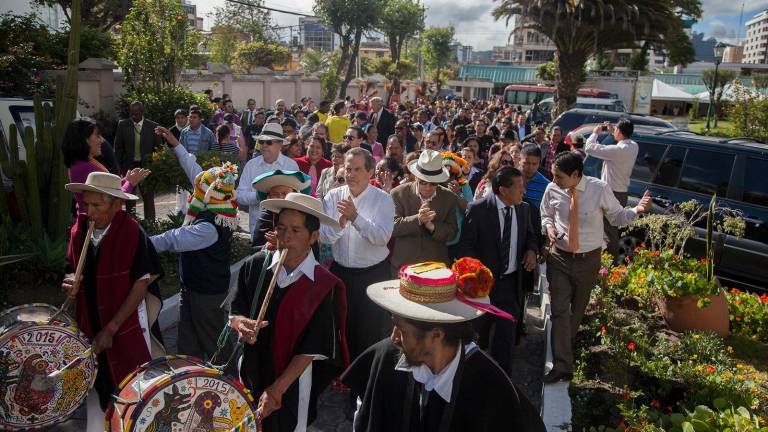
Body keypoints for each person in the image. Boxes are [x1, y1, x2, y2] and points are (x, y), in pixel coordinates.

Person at [340, 267, 545, 432]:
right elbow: (363, 419)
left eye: (401, 329)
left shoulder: (491, 387)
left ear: (436, 335)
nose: (393, 337)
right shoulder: (385, 357)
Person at [229, 193, 349, 432]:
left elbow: (313, 347)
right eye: (282, 229)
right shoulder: (255, 266)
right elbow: (235, 311)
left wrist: (277, 389)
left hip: (291, 382)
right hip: (251, 368)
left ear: (313, 237)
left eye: (296, 231)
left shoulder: (323, 285)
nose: (286, 238)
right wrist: (241, 324)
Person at [63, 172, 164, 431]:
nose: (90, 212)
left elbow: (140, 285)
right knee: (95, 387)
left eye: (98, 205)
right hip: (90, 320)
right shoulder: (79, 230)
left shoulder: (131, 233)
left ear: (117, 205)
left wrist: (111, 329)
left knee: (129, 388)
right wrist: (70, 283)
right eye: (87, 205)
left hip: (123, 324)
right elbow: (70, 269)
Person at [541, 152, 652, 383]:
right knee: (560, 310)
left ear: (575, 175)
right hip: (559, 258)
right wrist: (549, 227)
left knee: (576, 312)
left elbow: (618, 217)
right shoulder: (552, 190)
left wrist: (637, 210)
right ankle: (563, 365)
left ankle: (565, 351)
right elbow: (546, 214)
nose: (554, 181)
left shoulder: (598, 189)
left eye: (559, 177)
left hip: (589, 261)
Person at [150, 162, 239, 363]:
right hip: (192, 288)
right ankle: (190, 381)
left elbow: (173, 239)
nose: (194, 193)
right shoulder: (218, 212)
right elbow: (191, 166)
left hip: (206, 294)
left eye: (199, 188)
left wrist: (140, 242)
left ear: (209, 194)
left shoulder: (209, 226)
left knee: (215, 344)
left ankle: (231, 382)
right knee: (188, 344)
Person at [459, 167, 538, 373]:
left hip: (511, 285)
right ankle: (470, 375)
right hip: (483, 285)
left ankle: (503, 383)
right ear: (503, 190)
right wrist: (478, 275)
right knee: (477, 336)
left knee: (506, 338)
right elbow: (466, 246)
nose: (523, 191)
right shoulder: (478, 209)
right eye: (519, 187)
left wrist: (531, 250)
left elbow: (530, 235)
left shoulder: (524, 209)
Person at [320, 148, 395, 359]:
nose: (351, 174)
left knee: (369, 330)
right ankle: (342, 375)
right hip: (340, 273)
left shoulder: (383, 200)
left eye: (357, 170)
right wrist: (340, 223)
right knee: (340, 326)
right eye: (348, 169)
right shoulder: (333, 196)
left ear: (370, 172)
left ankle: (364, 380)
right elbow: (324, 237)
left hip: (373, 275)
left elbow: (382, 238)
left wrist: (356, 218)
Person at [390, 149, 458, 274]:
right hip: (404, 266)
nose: (427, 187)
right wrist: (418, 219)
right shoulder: (398, 194)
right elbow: (392, 227)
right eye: (422, 182)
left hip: (436, 268)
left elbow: (453, 232)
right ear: (416, 177)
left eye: (433, 184)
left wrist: (433, 227)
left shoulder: (450, 198)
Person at [62, 118, 149, 215]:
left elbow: (107, 189)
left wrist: (126, 180)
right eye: (97, 136)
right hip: (96, 224)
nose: (101, 140)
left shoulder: (85, 162)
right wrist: (131, 182)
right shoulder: (83, 167)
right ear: (85, 140)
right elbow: (111, 200)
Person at [585, 120, 639, 260]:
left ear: (620, 133)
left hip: (611, 193)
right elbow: (622, 140)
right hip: (622, 193)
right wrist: (612, 131)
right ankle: (610, 260)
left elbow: (589, 148)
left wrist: (595, 133)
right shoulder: (634, 146)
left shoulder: (616, 151)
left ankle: (610, 265)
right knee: (613, 229)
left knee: (609, 232)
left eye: (616, 130)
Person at [237, 123, 300, 238]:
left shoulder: (291, 166)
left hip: (284, 230)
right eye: (261, 142)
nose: (264, 145)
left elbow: (295, 198)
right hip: (256, 229)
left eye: (269, 142)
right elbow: (240, 195)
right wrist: (258, 196)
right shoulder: (251, 165)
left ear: (280, 145)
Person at [114, 101, 162, 219]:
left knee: (148, 198)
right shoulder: (123, 125)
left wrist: (154, 166)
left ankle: (150, 224)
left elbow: (159, 149)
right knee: (130, 197)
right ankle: (131, 223)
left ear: (142, 112)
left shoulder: (152, 126)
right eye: (132, 113)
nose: (134, 116)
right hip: (129, 166)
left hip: (146, 167)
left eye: (136, 114)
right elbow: (118, 148)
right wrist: (119, 167)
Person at [250, 170, 312, 249]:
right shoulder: (266, 216)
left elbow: (312, 247)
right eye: (275, 194)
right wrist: (271, 245)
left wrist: (283, 243)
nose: (280, 198)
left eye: (285, 194)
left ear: (295, 194)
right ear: (269, 197)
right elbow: (257, 248)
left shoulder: (305, 216)